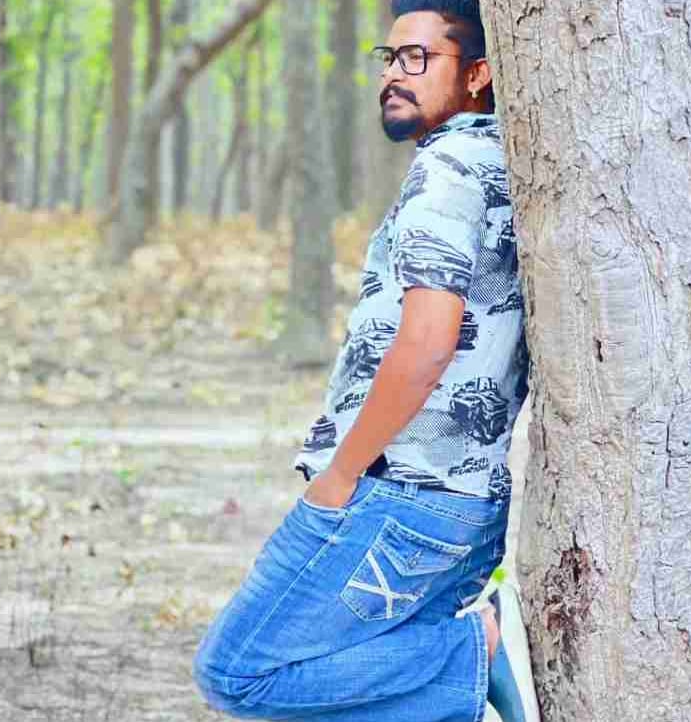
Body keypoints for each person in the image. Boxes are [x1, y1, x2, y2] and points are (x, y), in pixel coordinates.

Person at [193, 1, 530, 719]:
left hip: (400, 491)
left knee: (239, 671)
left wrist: (343, 471)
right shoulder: (507, 165)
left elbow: (429, 340)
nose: (393, 76)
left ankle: (479, 650)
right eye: (389, 58)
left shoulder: (448, 169)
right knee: (371, 685)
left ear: (478, 74)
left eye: (418, 59)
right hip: (465, 503)